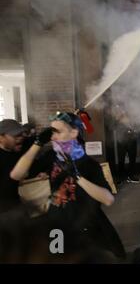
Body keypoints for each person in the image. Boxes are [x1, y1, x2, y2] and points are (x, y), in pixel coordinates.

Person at [10, 111, 126, 259]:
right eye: (51, 132)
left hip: (85, 228)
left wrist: (77, 176)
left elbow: (108, 199)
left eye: (58, 131)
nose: (53, 136)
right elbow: (16, 175)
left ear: (74, 133)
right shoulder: (52, 156)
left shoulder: (89, 164)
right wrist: (37, 143)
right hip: (56, 226)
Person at [0, 119, 26, 214]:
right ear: (1, 137)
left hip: (15, 205)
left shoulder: (15, 152)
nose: (20, 137)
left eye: (21, 134)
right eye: (16, 135)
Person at [112, 105, 140, 184]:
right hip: (121, 141)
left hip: (132, 141)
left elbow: (138, 126)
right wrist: (118, 118)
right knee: (121, 160)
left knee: (132, 160)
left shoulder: (133, 117)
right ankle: (120, 178)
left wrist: (134, 130)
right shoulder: (117, 117)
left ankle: (131, 177)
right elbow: (113, 127)